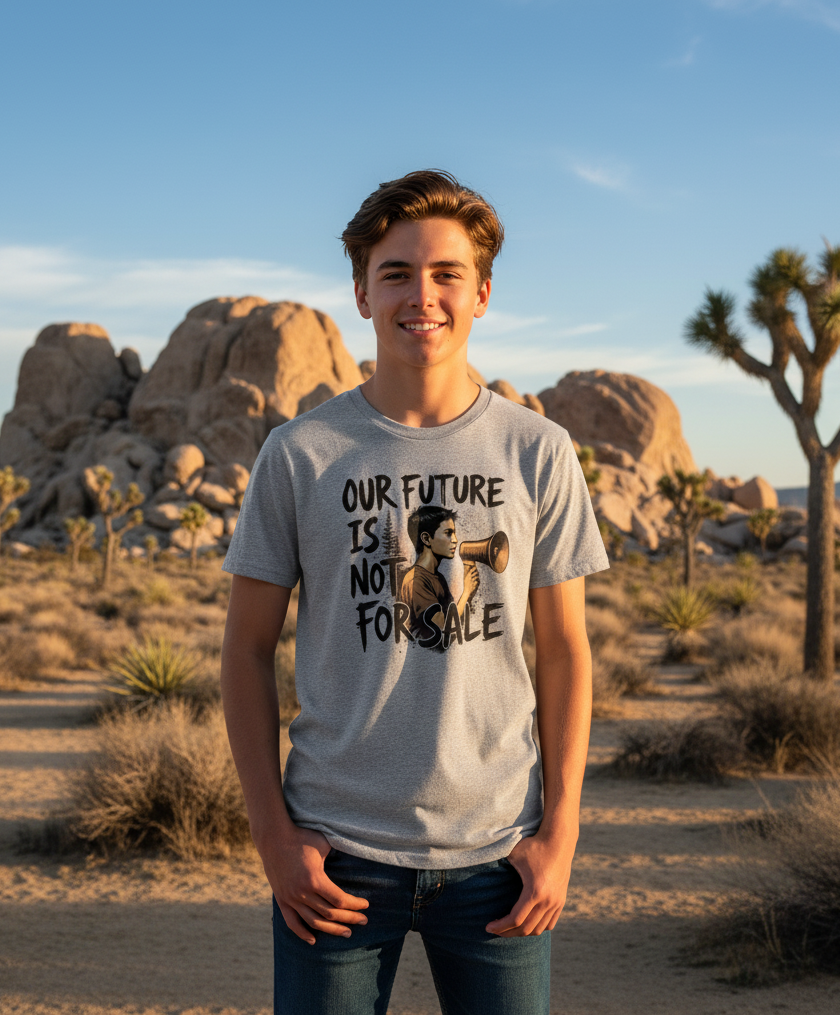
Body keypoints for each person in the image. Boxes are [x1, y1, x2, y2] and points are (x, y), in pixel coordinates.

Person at [220, 170, 608, 1015]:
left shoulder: (538, 450)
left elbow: (567, 651)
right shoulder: (302, 452)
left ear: (482, 294)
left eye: (445, 275)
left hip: (500, 854)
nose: (421, 296)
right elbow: (245, 652)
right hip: (336, 855)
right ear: (361, 293)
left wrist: (561, 834)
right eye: (395, 273)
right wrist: (275, 840)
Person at [398, 504, 479, 645]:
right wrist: (467, 593)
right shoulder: (416, 580)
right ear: (426, 539)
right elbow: (442, 625)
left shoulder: (437, 577)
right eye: (448, 533)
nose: (455, 540)